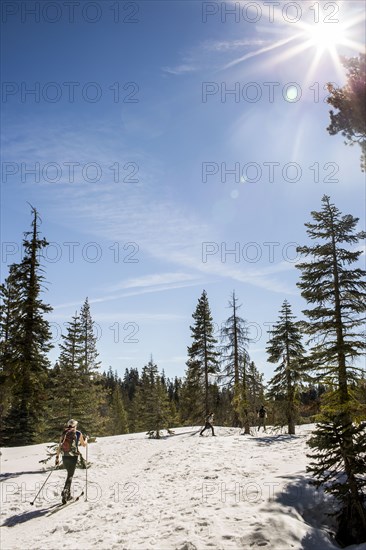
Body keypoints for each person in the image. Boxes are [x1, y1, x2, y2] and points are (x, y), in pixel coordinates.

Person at [55, 419, 87, 504]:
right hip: (73, 457)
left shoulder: (64, 433)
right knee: (70, 475)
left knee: (68, 474)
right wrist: (86, 440)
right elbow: (83, 445)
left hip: (65, 456)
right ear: (75, 426)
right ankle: (66, 491)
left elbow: (59, 446)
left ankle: (67, 494)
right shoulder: (78, 433)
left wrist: (57, 458)